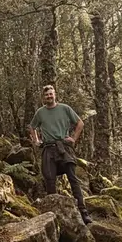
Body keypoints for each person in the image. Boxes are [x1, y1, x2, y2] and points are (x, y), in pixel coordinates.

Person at [29, 84, 91, 225]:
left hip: (64, 147)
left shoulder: (65, 108)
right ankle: (53, 215)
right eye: (46, 95)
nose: (49, 96)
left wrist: (73, 138)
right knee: (49, 179)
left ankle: (83, 212)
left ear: (55, 94)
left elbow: (80, 123)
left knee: (73, 179)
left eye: (51, 94)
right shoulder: (40, 112)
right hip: (48, 148)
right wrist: (36, 140)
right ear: (43, 97)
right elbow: (32, 126)